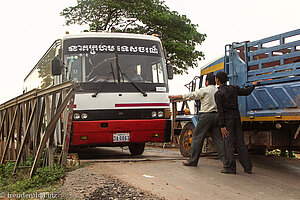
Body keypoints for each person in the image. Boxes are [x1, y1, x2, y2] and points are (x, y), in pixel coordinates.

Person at [169, 73, 230, 171]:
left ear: (206, 81)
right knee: (218, 140)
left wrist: (177, 97)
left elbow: (191, 95)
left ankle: (193, 160)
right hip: (217, 116)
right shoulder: (218, 90)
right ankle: (226, 163)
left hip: (206, 116)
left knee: (197, 137)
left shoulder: (204, 90)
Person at [214, 71, 260, 174]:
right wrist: (253, 85)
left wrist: (222, 125)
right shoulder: (234, 88)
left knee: (228, 143)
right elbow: (246, 92)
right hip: (236, 117)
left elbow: (220, 111)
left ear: (217, 80)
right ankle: (247, 168)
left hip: (227, 119)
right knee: (241, 142)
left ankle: (231, 168)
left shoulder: (218, 94)